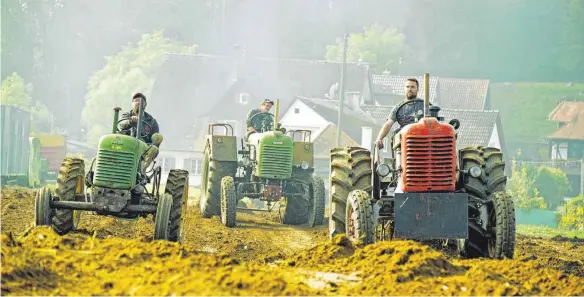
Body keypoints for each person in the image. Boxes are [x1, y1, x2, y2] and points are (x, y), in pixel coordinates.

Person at [373, 78, 427, 149]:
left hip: (421, 138)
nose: (409, 89)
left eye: (412, 87)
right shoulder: (398, 107)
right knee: (397, 135)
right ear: (404, 89)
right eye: (407, 87)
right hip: (404, 139)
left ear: (417, 89)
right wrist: (379, 139)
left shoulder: (424, 105)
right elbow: (388, 123)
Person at [117, 92, 163, 170]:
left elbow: (156, 140)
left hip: (143, 149)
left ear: (145, 104)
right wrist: (130, 121)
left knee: (154, 149)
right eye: (136, 100)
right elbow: (121, 124)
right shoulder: (126, 115)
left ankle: (140, 170)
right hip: (125, 144)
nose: (138, 102)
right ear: (132, 103)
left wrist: (155, 140)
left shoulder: (152, 121)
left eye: (141, 100)